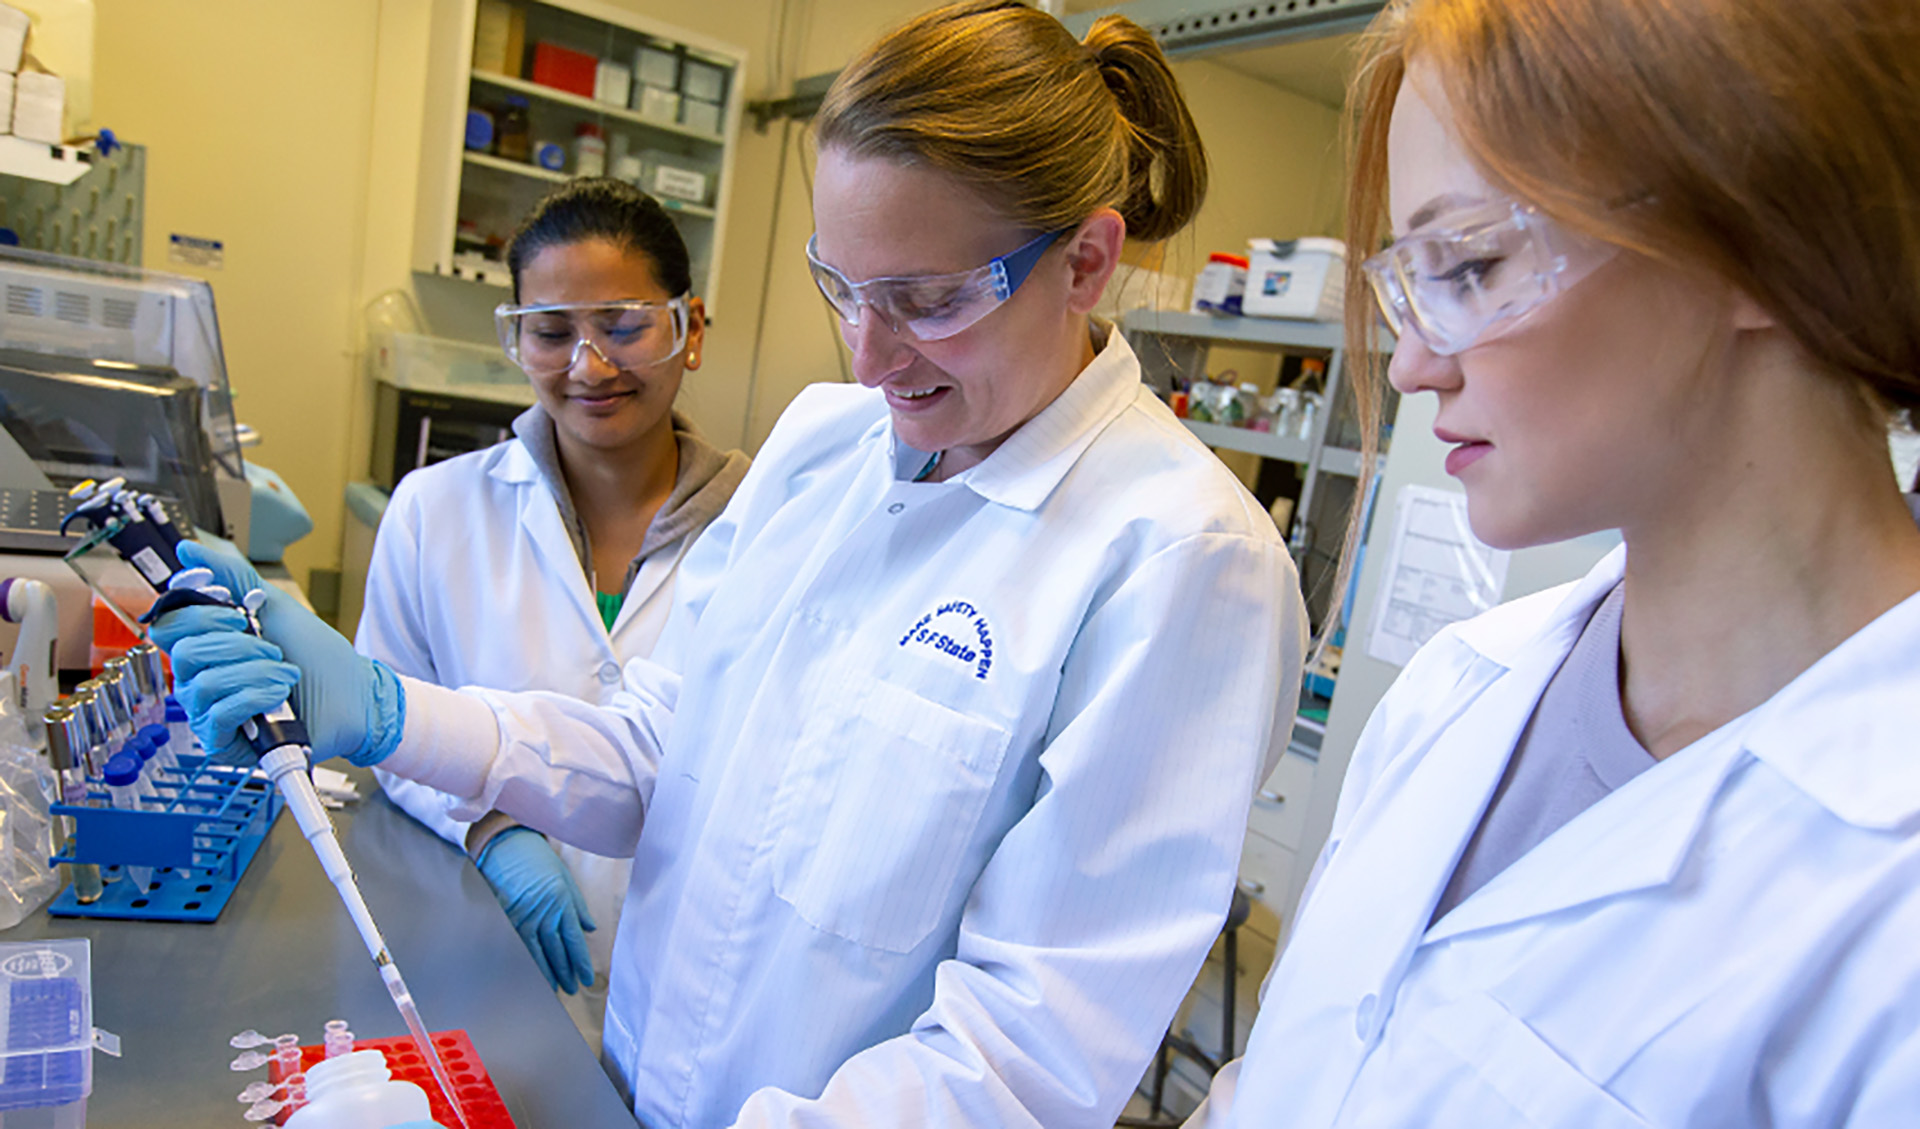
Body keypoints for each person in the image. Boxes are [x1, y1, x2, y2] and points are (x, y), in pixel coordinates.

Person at [155, 3, 1307, 1125]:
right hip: (626, 1082)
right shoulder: (827, 445)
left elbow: (1024, 1056)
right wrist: (399, 714)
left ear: (1089, 259)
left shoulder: (1182, 563)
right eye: (843, 287)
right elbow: (663, 742)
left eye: (928, 301)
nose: (870, 353)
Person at [1191, 0, 1920, 1125]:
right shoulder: (1456, 690)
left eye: (1472, 264)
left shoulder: (1888, 917)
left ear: (1763, 244)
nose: (1416, 363)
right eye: (1411, 285)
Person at [362, 179, 749, 1052]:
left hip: (695, 982)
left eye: (621, 326)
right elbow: (388, 730)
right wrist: (489, 826)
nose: (588, 365)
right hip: (486, 949)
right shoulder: (435, 510)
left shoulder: (768, 526)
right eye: (550, 331)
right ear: (518, 338)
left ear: (689, 331)